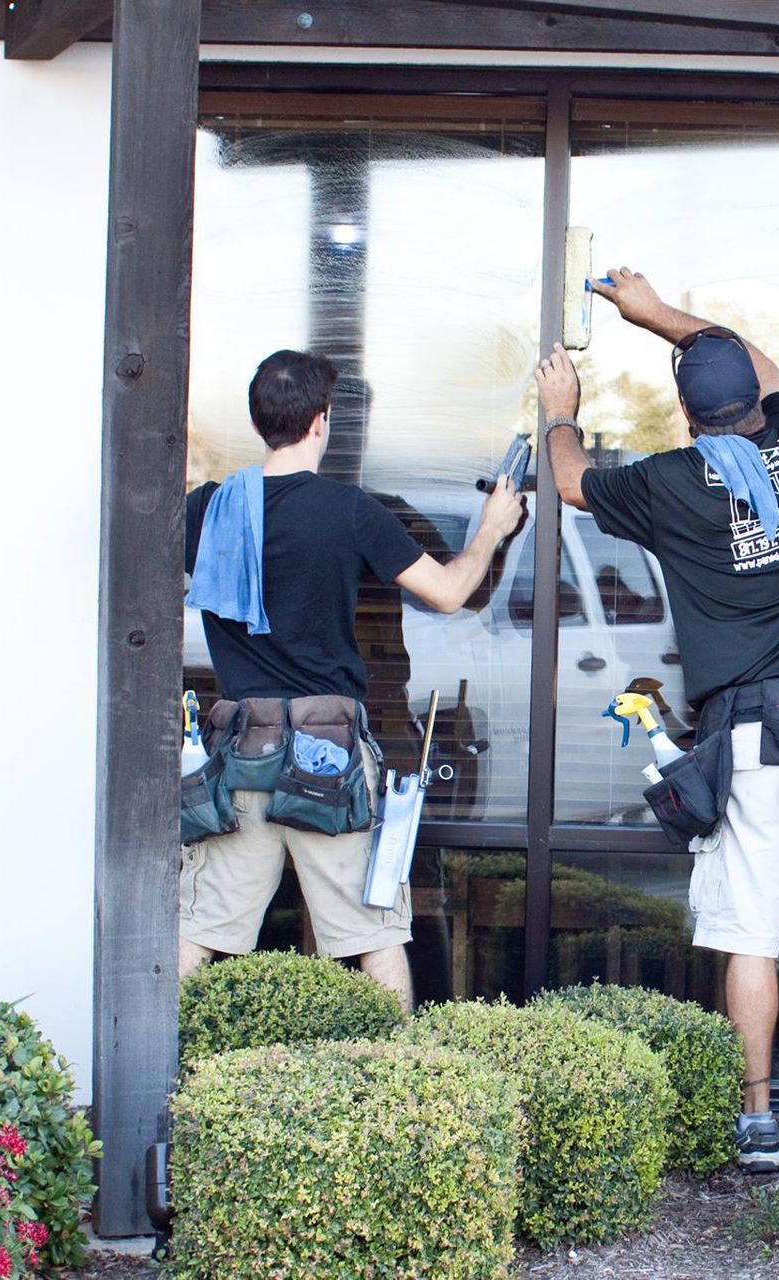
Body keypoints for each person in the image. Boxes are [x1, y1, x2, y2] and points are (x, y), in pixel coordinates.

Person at [536, 270, 779, 1174]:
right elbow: (764, 369)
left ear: (689, 421)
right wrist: (663, 320)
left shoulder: (670, 483)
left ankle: (759, 1120)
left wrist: (562, 408)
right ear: (759, 409)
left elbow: (569, 481)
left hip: (753, 739)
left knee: (751, 933)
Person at [180, 349, 524, 1009]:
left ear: (262, 422)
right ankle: (394, 1086)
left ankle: (164, 1085)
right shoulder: (350, 510)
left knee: (197, 932)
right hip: (326, 756)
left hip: (241, 752)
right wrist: (492, 530)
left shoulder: (210, 509)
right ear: (322, 421)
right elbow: (450, 593)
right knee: (373, 933)